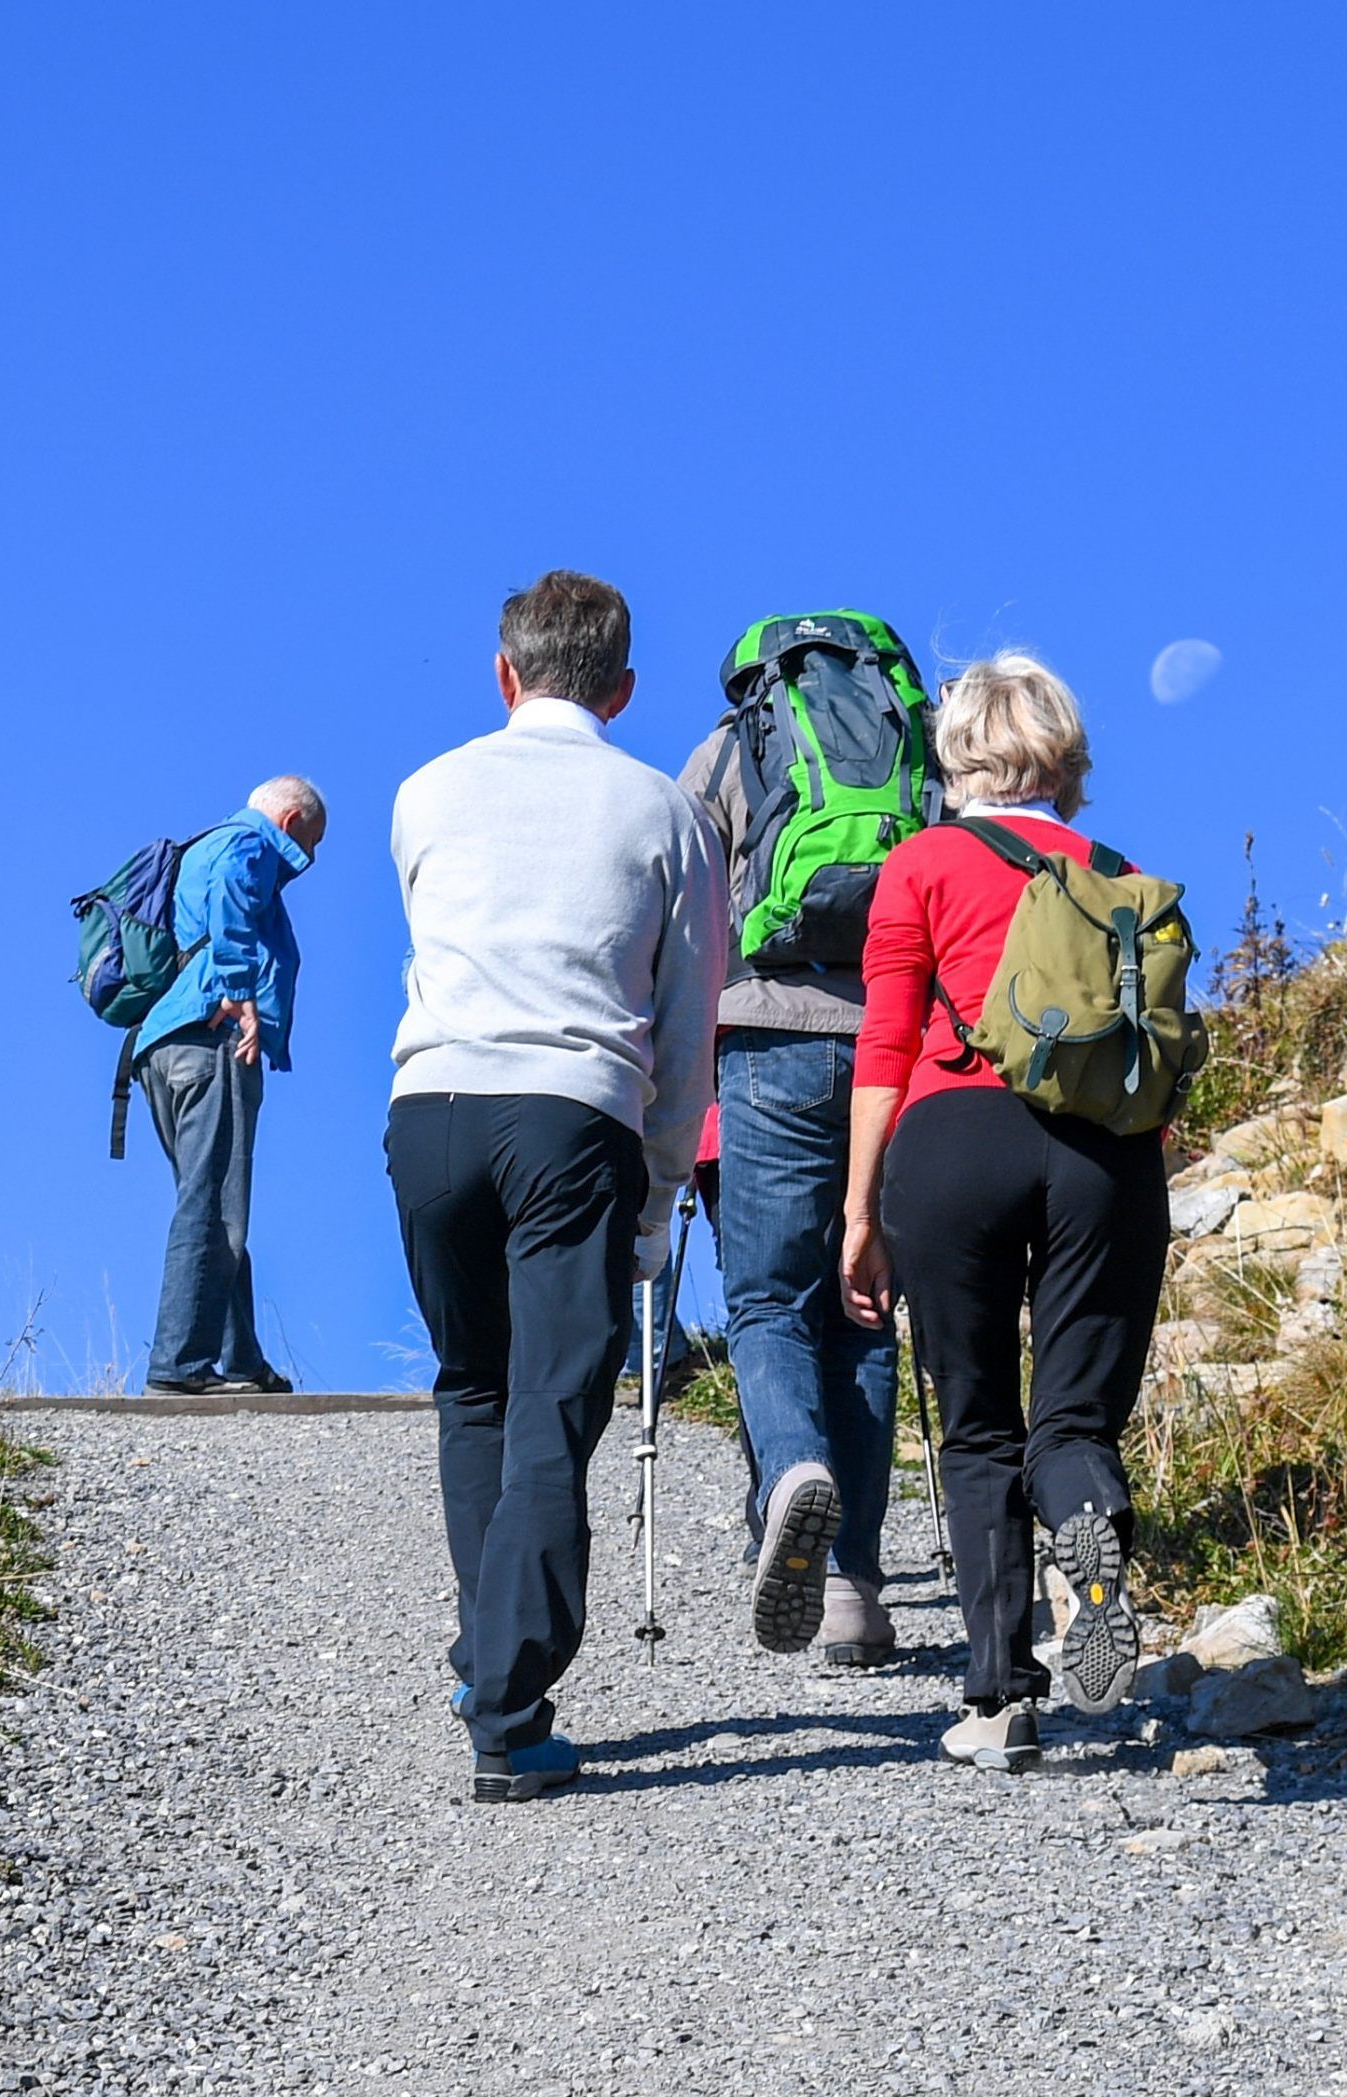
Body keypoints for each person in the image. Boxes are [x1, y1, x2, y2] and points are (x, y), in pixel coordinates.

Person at [386, 571, 726, 1803]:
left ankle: (491, 1653)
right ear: (625, 688)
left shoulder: (424, 793)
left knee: (473, 1384)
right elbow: (687, 1034)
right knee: (554, 1404)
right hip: (572, 1112)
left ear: (503, 671)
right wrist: (657, 1198)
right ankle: (508, 1703)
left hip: (427, 1113)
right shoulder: (669, 816)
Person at [840, 653, 1168, 1771]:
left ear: (958, 751)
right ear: (1065, 754)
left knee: (978, 1426)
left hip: (955, 1140)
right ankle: (1094, 1551)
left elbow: (885, 1045)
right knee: (1071, 1425)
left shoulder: (923, 863)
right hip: (1107, 1158)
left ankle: (999, 1701)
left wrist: (858, 1211)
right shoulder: (1123, 877)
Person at [681, 660, 903, 1664]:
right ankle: (854, 1585)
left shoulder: (728, 751)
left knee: (769, 1303)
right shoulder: (915, 744)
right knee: (865, 1310)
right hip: (889, 1042)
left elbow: (683, 921)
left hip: (765, 1033)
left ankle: (791, 1476)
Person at [134, 776, 326, 1395]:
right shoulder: (250, 844)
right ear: (291, 820)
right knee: (214, 1206)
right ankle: (180, 1365)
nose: (308, 861)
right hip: (212, 1040)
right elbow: (235, 899)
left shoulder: (203, 843)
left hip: (162, 1044)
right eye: (311, 845)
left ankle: (238, 1357)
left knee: (210, 1197)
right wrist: (242, 994)